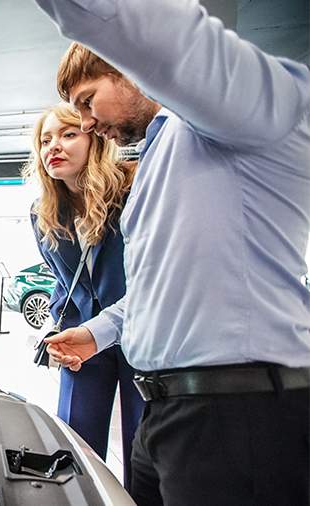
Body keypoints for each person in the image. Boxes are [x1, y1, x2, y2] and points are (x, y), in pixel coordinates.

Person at [31, 1, 310, 504]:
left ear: (129, 66)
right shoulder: (160, 156)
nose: (87, 124)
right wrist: (97, 333)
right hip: (166, 412)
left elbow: (157, 33)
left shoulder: (241, 115)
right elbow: (158, 290)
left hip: (236, 411)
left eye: (88, 102)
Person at [24, 103, 143, 489]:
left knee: (143, 447)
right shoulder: (42, 212)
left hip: (139, 330)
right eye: (45, 140)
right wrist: (55, 322)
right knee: (75, 444)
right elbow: (62, 279)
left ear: (96, 139)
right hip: (81, 338)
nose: (53, 146)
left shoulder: (132, 191)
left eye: (68, 134)